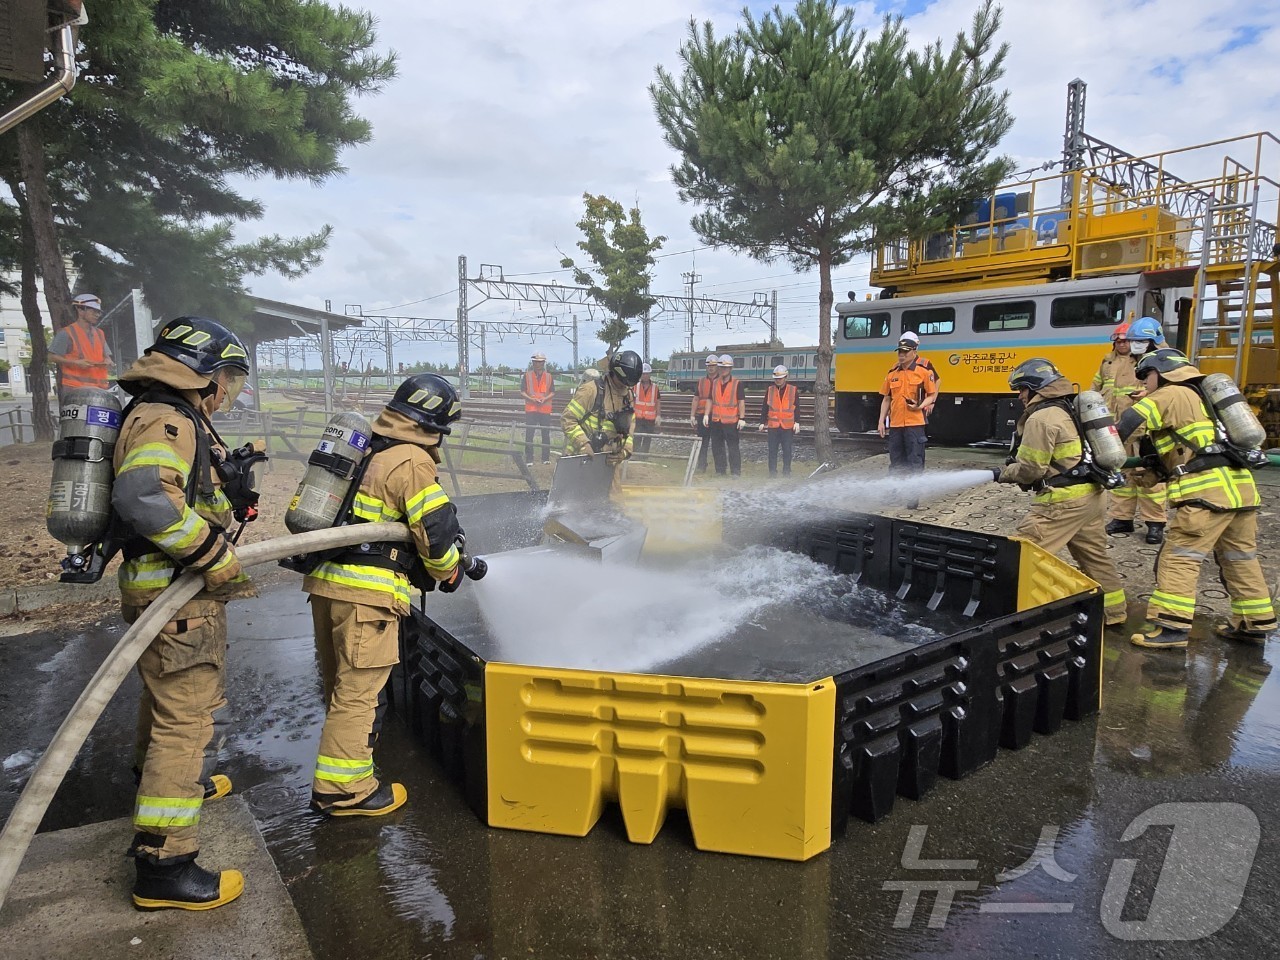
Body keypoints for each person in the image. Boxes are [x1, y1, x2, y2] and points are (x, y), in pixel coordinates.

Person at [113, 316, 256, 911]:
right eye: (228, 379)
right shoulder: (169, 418)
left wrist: (230, 497)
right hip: (177, 591)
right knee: (187, 719)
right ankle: (166, 863)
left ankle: (162, 790)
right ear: (203, 374)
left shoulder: (162, 413)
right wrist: (213, 553)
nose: (229, 393)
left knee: (166, 703)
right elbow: (146, 496)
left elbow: (182, 494)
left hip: (161, 591)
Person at [304, 373, 486, 817]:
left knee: (341, 687)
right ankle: (344, 792)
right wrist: (450, 572)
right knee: (358, 694)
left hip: (327, 585)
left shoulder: (368, 447)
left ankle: (349, 768)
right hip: (367, 598)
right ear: (433, 424)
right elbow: (436, 533)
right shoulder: (410, 459)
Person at [1116, 348, 1277, 649]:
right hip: (1241, 493)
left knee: (1180, 558)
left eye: (1146, 377)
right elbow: (1187, 453)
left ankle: (1171, 628)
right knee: (1240, 559)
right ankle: (1255, 624)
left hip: (1205, 496)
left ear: (1160, 373)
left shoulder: (1171, 393)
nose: (1144, 385)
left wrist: (1104, 451)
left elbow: (1130, 421)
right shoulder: (1207, 397)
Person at [993, 358, 1128, 627]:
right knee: (1095, 558)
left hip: (1062, 503)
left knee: (1022, 554)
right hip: (1092, 497)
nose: (1020, 396)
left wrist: (1003, 473)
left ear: (1035, 388)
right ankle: (1114, 613)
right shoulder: (1071, 408)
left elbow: (1031, 470)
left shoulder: (1042, 418)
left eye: (1022, 390)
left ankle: (1009, 617)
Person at [1095, 318, 1168, 543]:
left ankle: (1155, 523)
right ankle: (1121, 518)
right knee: (1122, 476)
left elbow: (1164, 389)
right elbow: (1096, 387)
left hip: (1145, 427)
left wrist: (1145, 395)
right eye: (1117, 340)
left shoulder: (1150, 360)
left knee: (1150, 476)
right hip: (1117, 428)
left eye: (1126, 340)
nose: (1122, 344)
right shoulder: (1107, 362)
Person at [877, 331, 939, 509]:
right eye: (899, 352)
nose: (901, 355)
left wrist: (920, 406)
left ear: (914, 352)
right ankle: (894, 493)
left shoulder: (923, 372)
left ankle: (912, 499)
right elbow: (887, 398)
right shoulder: (892, 373)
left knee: (914, 462)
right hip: (896, 424)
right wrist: (881, 421)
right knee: (896, 461)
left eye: (905, 352)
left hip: (915, 425)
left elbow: (931, 395)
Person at [562, 349, 641, 466]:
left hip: (606, 463)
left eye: (628, 384)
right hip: (579, 458)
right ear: (615, 373)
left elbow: (628, 430)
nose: (624, 387)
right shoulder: (590, 390)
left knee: (610, 485)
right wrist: (584, 444)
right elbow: (568, 419)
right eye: (622, 382)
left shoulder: (627, 396)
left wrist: (623, 453)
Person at [49, 292, 113, 395]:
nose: (97, 315)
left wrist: (108, 361)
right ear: (80, 309)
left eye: (99, 312)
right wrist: (75, 363)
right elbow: (51, 357)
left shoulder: (100, 333)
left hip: (100, 389)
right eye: (94, 311)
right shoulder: (66, 333)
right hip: (75, 390)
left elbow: (107, 356)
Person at [703, 354, 745, 476]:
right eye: (721, 368)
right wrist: (706, 414)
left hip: (731, 422)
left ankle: (735, 472)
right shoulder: (715, 383)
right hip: (716, 421)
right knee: (717, 447)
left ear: (730, 369)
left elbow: (741, 402)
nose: (723, 370)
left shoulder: (737, 384)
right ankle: (720, 471)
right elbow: (710, 399)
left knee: (733, 448)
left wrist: (742, 418)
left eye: (726, 368)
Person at [758, 364, 800, 476]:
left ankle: (787, 471)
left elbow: (796, 407)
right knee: (772, 451)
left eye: (780, 378)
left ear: (785, 377)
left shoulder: (793, 390)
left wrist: (797, 422)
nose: (778, 380)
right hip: (773, 426)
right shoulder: (770, 390)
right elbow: (765, 407)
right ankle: (772, 472)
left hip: (787, 426)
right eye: (776, 379)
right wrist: (762, 422)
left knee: (787, 451)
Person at [521, 352, 555, 465]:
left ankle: (545, 458)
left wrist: (545, 399)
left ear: (543, 363)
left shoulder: (549, 376)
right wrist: (532, 399)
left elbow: (552, 392)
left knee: (545, 434)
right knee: (529, 434)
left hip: (545, 410)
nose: (538, 364)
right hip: (531, 409)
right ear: (533, 363)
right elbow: (522, 392)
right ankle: (529, 459)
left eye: (540, 362)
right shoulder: (527, 376)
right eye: (536, 362)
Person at [688, 354, 717, 473]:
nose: (711, 368)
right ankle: (701, 466)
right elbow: (696, 398)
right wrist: (692, 415)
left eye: (713, 366)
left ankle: (719, 469)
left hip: (715, 416)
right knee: (702, 443)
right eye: (709, 366)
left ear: (717, 367)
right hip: (702, 415)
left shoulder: (721, 381)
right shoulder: (701, 381)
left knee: (717, 443)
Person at [632, 362, 661, 454]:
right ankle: (636, 454)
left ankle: (644, 455)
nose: (645, 376)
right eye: (643, 374)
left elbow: (658, 402)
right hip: (638, 417)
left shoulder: (655, 388)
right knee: (637, 437)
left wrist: (658, 415)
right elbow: (631, 401)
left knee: (647, 438)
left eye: (646, 374)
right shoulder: (635, 387)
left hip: (650, 419)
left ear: (649, 374)